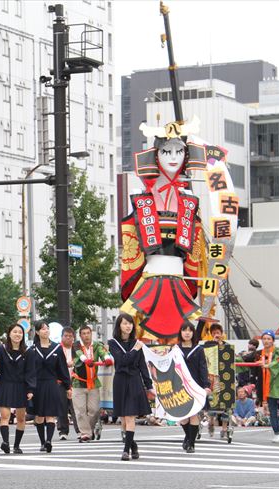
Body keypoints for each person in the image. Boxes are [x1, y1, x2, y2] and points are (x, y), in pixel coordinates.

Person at [119, 126, 209, 340]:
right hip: (150, 276)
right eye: (166, 151)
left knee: (184, 333)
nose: (173, 158)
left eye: (179, 151)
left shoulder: (189, 200)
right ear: (156, 155)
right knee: (137, 330)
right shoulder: (141, 197)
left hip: (178, 278)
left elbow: (195, 252)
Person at [108, 313, 154, 461]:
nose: (128, 326)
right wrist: (135, 350)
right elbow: (122, 361)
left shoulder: (136, 343)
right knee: (123, 418)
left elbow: (142, 366)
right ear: (119, 326)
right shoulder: (113, 343)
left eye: (130, 323)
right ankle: (133, 445)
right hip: (120, 381)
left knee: (130, 416)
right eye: (125, 323)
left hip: (134, 381)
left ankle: (126, 450)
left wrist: (149, 386)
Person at [27, 321, 72, 454]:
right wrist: (29, 389)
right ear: (37, 332)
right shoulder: (32, 350)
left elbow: (62, 369)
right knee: (39, 416)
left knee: (50, 414)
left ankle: (49, 441)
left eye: (47, 328)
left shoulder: (57, 348)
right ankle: (42, 442)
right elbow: (29, 371)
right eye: (42, 329)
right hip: (37, 385)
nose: (46, 331)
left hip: (52, 384)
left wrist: (68, 387)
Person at [0, 324, 35, 454]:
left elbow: (30, 372)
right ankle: (5, 442)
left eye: (20, 332)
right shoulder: (2, 349)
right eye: (15, 332)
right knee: (5, 416)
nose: (17, 334)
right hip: (6, 384)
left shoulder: (28, 352)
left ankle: (17, 445)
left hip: (21, 386)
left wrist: (30, 390)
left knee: (21, 418)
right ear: (9, 334)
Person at [71, 324, 111, 442]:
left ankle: (89, 430)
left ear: (91, 334)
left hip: (93, 383)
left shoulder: (97, 345)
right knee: (80, 410)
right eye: (83, 334)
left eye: (88, 333)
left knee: (94, 410)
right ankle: (85, 433)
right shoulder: (76, 345)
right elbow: (79, 355)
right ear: (80, 335)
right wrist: (86, 360)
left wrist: (107, 359)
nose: (86, 336)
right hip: (78, 382)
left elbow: (103, 352)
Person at [176, 321, 210, 452]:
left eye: (190, 330)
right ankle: (188, 437)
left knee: (194, 414)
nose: (187, 333)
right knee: (183, 416)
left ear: (193, 333)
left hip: (196, 385)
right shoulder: (175, 349)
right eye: (184, 330)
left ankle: (191, 444)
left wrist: (206, 385)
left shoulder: (199, 350)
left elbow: (203, 368)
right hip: (180, 386)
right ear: (180, 332)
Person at [56, 327, 78, 440]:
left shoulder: (77, 350)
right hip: (60, 381)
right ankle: (63, 431)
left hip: (75, 380)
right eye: (66, 336)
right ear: (61, 337)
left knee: (76, 407)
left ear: (73, 338)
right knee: (62, 406)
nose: (68, 338)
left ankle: (80, 430)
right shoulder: (57, 349)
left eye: (70, 336)